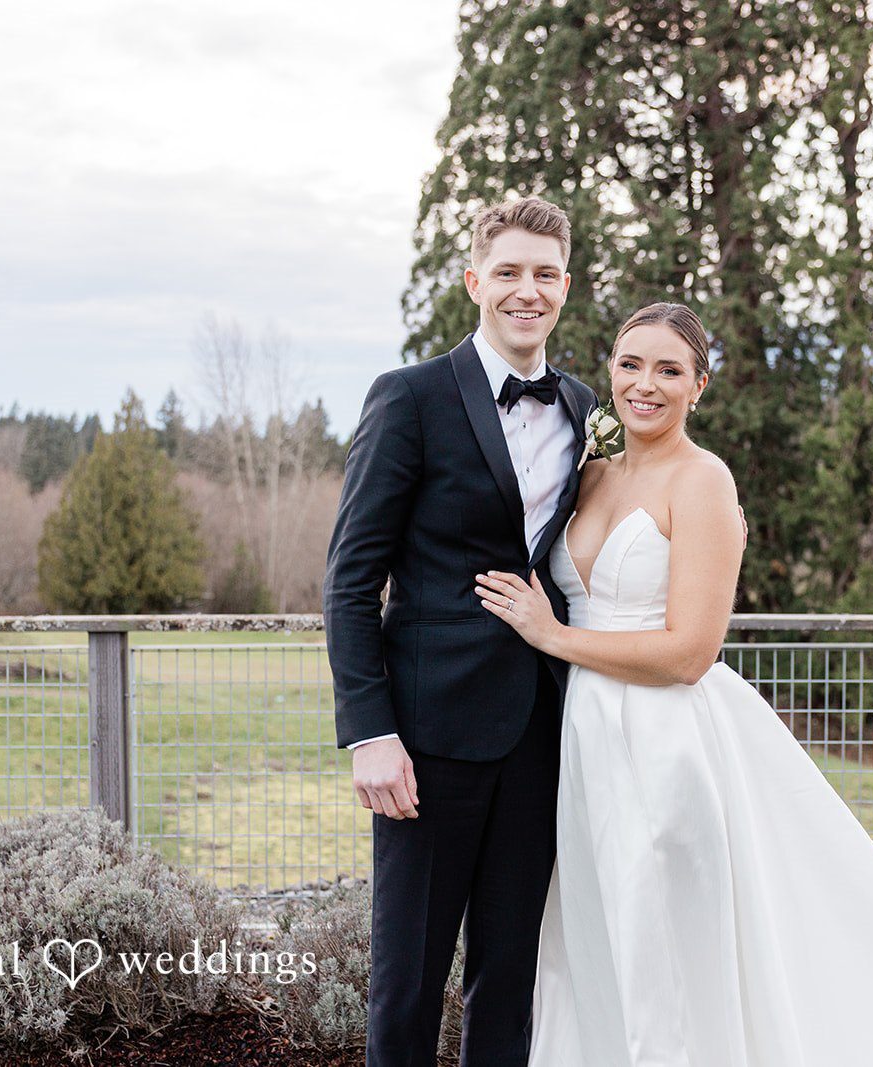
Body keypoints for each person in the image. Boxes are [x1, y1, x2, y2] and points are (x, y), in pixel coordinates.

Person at [474, 302, 873, 1066]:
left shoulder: (704, 480)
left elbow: (691, 651)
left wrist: (553, 636)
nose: (644, 384)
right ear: (609, 371)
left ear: (700, 385)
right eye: (629, 364)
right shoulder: (591, 472)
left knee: (667, 946)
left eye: (669, 370)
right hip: (583, 739)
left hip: (665, 742)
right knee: (596, 939)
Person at [323, 196, 597, 1066]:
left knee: (510, 977)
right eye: (508, 272)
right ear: (475, 280)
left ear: (566, 285)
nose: (527, 291)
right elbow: (350, 576)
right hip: (426, 739)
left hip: (538, 734)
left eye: (544, 274)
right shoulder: (408, 397)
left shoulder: (586, 408)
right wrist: (370, 731)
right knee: (407, 982)